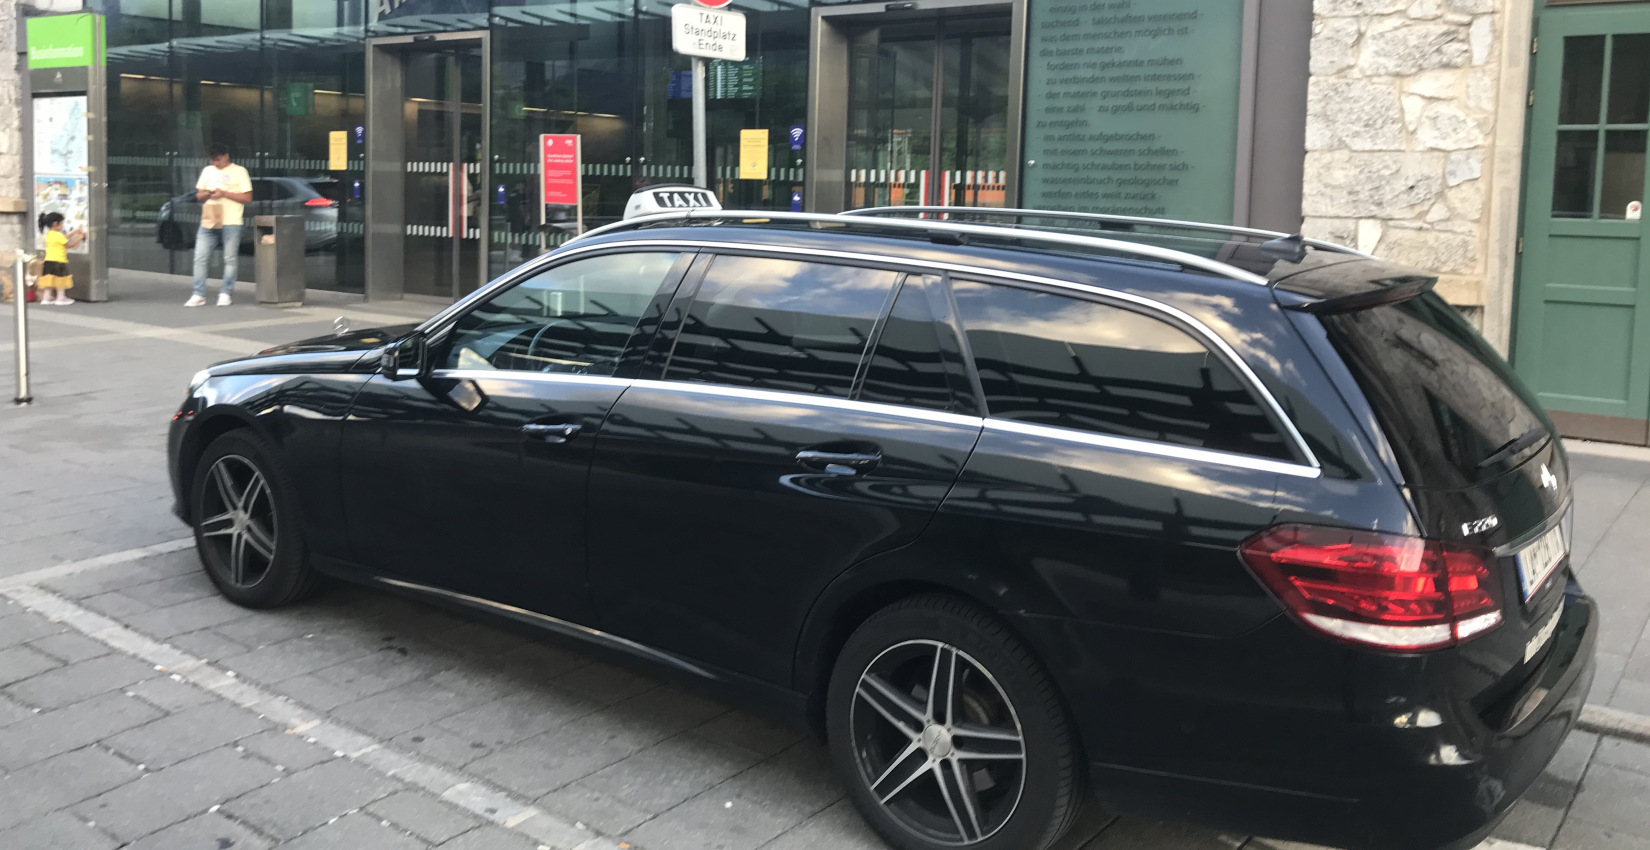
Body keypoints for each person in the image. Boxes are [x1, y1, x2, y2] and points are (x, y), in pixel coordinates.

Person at [188, 143, 252, 307]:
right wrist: (208, 193)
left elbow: (247, 198)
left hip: (231, 220)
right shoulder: (207, 171)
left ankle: (225, 292)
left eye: (218, 160)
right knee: (200, 258)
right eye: (213, 160)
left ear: (226, 156)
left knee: (229, 258)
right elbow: (199, 195)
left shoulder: (239, 171)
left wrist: (224, 193)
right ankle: (198, 293)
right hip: (209, 220)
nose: (216, 163)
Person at [35, 212, 85, 306]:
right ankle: (61, 298)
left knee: (49, 280)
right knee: (60, 281)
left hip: (48, 261)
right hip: (59, 261)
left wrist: (74, 232)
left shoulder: (49, 234)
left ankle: (46, 298)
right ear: (55, 224)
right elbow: (70, 245)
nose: (62, 225)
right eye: (61, 223)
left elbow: (64, 238)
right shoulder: (58, 235)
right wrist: (80, 237)